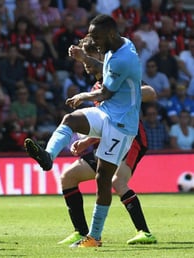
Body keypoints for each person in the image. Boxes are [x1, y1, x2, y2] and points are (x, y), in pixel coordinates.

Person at [24, 14, 142, 247]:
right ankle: (48, 156)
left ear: (109, 34)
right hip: (108, 113)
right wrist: (84, 56)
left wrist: (82, 96)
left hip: (122, 125)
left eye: (96, 37)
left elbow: (105, 92)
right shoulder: (122, 43)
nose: (94, 41)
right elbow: (105, 69)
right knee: (71, 119)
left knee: (103, 178)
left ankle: (94, 237)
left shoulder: (123, 58)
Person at [55, 35, 157, 246]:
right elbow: (104, 122)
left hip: (131, 137)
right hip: (106, 140)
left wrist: (128, 92)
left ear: (100, 55)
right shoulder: (96, 89)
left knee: (116, 181)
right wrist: (86, 142)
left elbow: (150, 92)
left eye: (88, 59)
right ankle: (81, 232)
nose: (85, 66)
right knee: (68, 177)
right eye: (83, 61)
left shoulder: (121, 74)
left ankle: (144, 232)